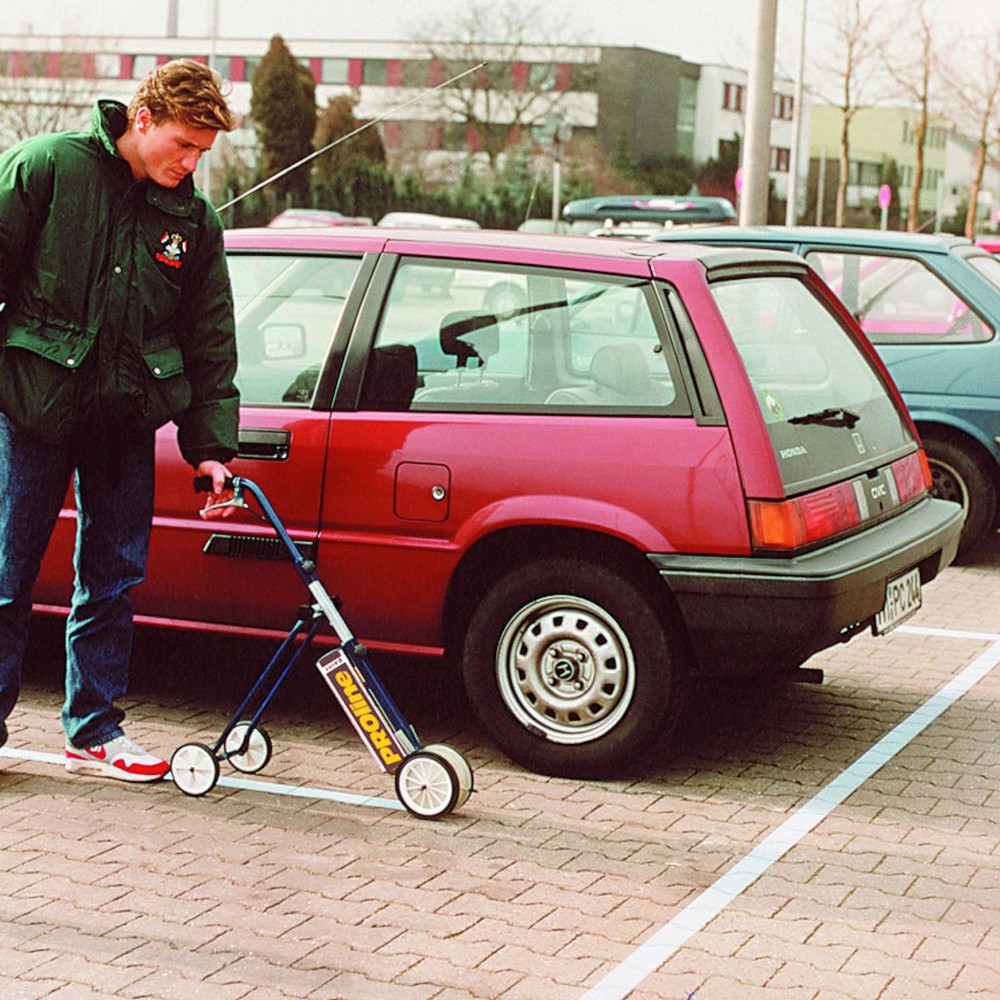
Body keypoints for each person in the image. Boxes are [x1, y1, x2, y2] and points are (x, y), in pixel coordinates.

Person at [0, 59, 240, 782]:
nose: (192, 162)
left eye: (203, 151)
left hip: (127, 421)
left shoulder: (193, 219)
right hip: (33, 409)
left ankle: (95, 730)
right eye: (183, 145)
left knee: (113, 579)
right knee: (7, 577)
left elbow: (210, 336)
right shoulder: (48, 167)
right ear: (143, 121)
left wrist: (211, 446)